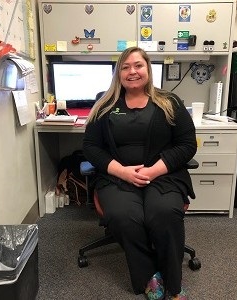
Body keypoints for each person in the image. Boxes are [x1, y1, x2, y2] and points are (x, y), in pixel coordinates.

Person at [83, 46, 197, 300]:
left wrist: (153, 170)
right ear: (118, 73)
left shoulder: (169, 101)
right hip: (117, 177)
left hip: (163, 174)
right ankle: (150, 277)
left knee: (164, 212)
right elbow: (91, 147)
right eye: (125, 67)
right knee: (124, 216)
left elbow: (187, 144)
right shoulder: (105, 103)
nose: (132, 71)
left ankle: (173, 285)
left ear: (148, 69)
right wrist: (122, 172)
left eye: (138, 65)